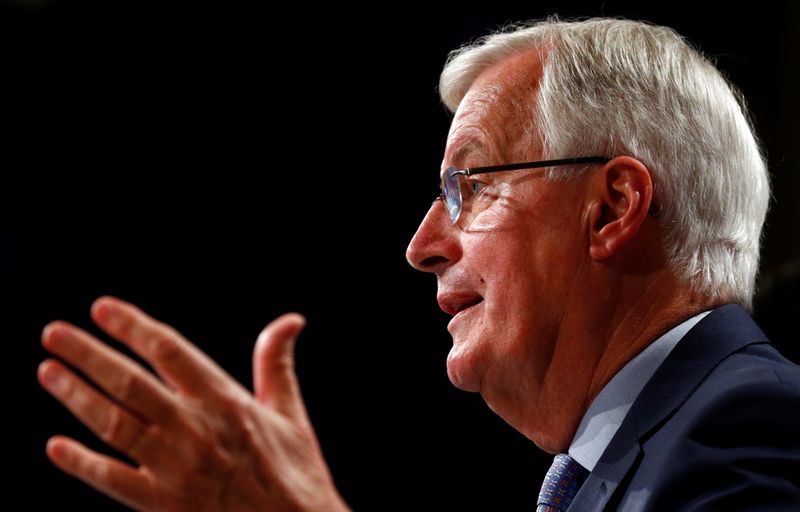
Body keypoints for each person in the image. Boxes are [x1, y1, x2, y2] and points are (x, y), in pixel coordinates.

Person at [37, 18, 799, 511]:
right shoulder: (648, 448)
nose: (422, 244)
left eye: (469, 186)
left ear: (612, 206)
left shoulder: (747, 426)